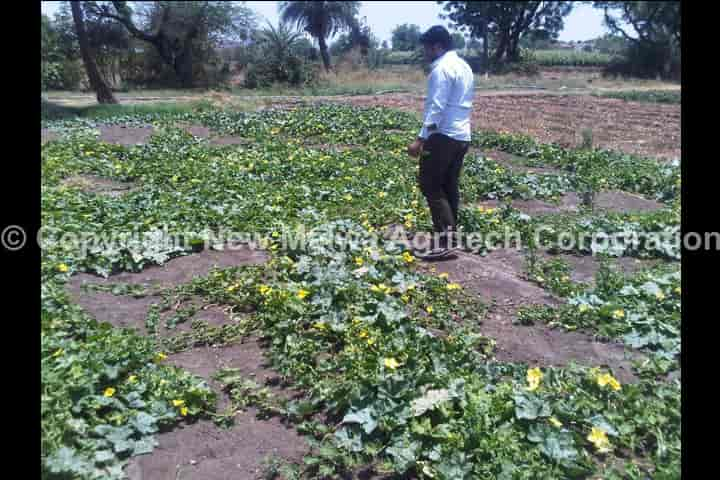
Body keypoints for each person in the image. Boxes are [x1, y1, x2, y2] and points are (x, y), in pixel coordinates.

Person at [407, 25, 474, 259]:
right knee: (448, 185)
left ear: (437, 46)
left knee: (430, 184)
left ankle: (446, 240)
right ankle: (451, 236)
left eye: (426, 47)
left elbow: (437, 108)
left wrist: (420, 139)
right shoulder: (464, 66)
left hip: (443, 136)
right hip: (462, 136)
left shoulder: (441, 69)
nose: (425, 52)